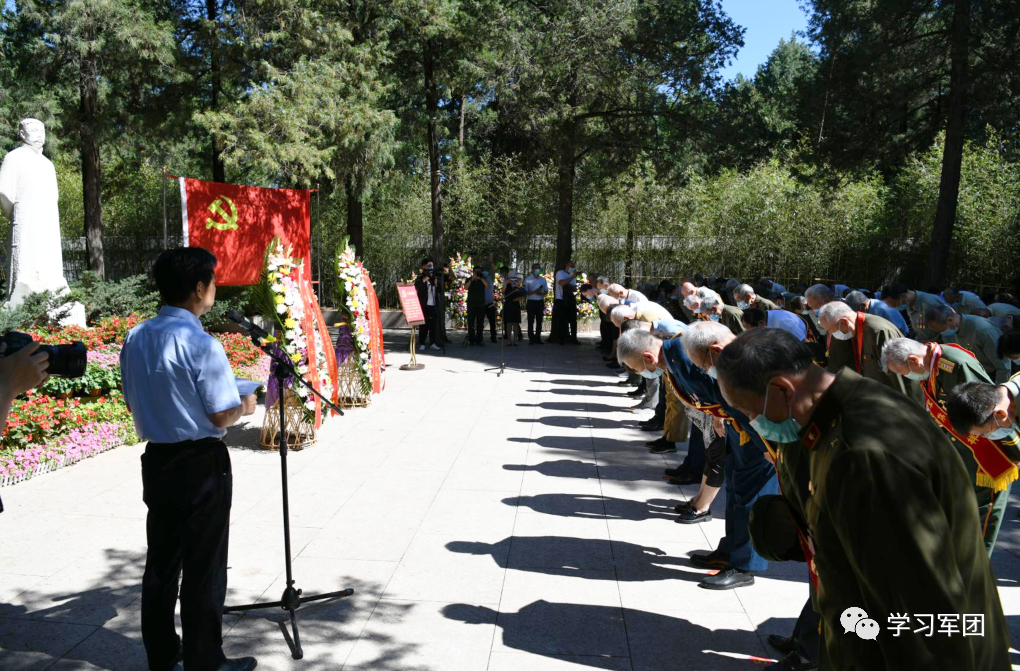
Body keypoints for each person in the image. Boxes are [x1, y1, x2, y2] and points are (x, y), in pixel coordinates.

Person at [715, 328, 1010, 671]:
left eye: (749, 410)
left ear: (782, 389)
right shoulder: (836, 412)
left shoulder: (867, 454)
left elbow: (921, 615)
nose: (753, 422)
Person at [120, 247, 258, 671]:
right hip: (201, 464)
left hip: (158, 460)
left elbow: (132, 398)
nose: (214, 289)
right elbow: (220, 413)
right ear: (199, 288)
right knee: (204, 566)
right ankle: (205, 662)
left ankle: (162, 655)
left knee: (162, 564)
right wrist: (246, 406)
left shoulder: (136, 336)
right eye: (212, 282)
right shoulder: (202, 343)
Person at [617, 328, 779, 590]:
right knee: (737, 491)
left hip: (756, 431)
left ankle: (746, 564)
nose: (637, 373)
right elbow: (718, 393)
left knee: (753, 496)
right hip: (737, 427)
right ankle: (730, 552)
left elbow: (738, 394)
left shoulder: (683, 355)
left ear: (647, 356)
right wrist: (718, 415)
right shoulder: (673, 358)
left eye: (633, 367)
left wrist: (767, 445)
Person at [882, 337, 1020, 555]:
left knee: (983, 514)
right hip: (963, 451)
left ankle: (977, 572)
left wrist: (1014, 452)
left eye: (903, 371)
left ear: (914, 360)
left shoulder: (954, 363)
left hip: (984, 453)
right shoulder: (932, 366)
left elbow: (986, 411)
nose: (906, 377)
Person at [818, 301, 910, 394]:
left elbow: (900, 377)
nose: (832, 335)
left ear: (844, 322)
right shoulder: (855, 331)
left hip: (893, 398)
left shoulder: (878, 331)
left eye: (831, 331)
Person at [924, 303, 1010, 383]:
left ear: (950, 320)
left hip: (991, 375)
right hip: (970, 374)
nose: (942, 333)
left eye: (942, 330)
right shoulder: (950, 330)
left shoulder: (983, 330)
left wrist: (999, 392)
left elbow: (1004, 367)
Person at [880, 283, 945, 342]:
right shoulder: (909, 306)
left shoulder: (930, 303)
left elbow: (948, 330)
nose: (897, 308)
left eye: (896, 305)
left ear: (903, 296)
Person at [844, 289, 908, 336]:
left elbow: (901, 331)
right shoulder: (868, 309)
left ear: (863, 305)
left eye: (856, 311)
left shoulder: (883, 310)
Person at [414, 258, 442, 351]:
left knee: (433, 325)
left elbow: (440, 290)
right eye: (429, 265)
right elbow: (417, 286)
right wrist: (426, 278)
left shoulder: (434, 277)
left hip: (433, 304)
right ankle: (422, 343)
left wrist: (436, 283)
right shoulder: (420, 277)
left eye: (432, 265)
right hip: (424, 304)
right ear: (424, 266)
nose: (431, 267)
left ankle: (432, 343)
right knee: (423, 325)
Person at [550, 260, 579, 344]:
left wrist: (570, 282)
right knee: (562, 320)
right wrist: (571, 278)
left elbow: (574, 288)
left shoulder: (571, 275)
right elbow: (562, 283)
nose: (572, 268)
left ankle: (574, 338)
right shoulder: (560, 273)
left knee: (573, 319)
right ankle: (561, 339)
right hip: (561, 299)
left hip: (570, 298)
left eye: (573, 267)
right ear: (567, 265)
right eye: (571, 266)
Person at [741, 307, 807, 341]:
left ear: (761, 323)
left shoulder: (783, 323)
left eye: (751, 330)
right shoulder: (767, 318)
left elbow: (803, 342)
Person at [524, 263, 548, 345]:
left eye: (539, 268)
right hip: (531, 302)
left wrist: (541, 293)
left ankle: (538, 338)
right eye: (536, 268)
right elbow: (525, 292)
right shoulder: (527, 279)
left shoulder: (543, 279)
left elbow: (546, 291)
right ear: (532, 270)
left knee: (539, 321)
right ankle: (531, 339)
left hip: (540, 301)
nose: (538, 270)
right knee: (530, 321)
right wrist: (534, 292)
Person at [465, 266, 489, 346]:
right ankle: (471, 339)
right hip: (471, 304)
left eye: (479, 272)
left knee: (480, 323)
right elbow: (466, 287)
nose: (478, 273)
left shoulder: (482, 279)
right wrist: (472, 279)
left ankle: (479, 340)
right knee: (471, 322)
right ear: (473, 272)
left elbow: (488, 286)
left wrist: (481, 278)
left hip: (480, 304)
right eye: (477, 272)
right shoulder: (469, 279)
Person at [502, 271, 526, 346]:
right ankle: (509, 340)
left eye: (514, 279)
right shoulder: (506, 284)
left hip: (516, 305)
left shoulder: (518, 286)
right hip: (508, 305)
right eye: (511, 279)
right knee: (508, 323)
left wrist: (519, 284)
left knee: (515, 323)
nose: (513, 280)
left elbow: (523, 295)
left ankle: (515, 340)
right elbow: (503, 292)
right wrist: (506, 283)